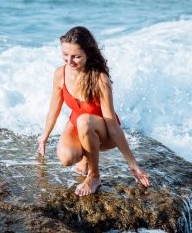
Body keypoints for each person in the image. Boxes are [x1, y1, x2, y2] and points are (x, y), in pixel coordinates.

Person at [38, 26, 149, 197]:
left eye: (76, 56)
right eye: (65, 55)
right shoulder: (60, 74)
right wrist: (44, 136)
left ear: (88, 54)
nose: (69, 61)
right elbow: (54, 108)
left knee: (84, 121)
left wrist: (133, 165)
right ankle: (86, 157)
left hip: (103, 131)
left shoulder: (100, 80)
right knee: (67, 158)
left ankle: (94, 176)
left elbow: (112, 124)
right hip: (78, 124)